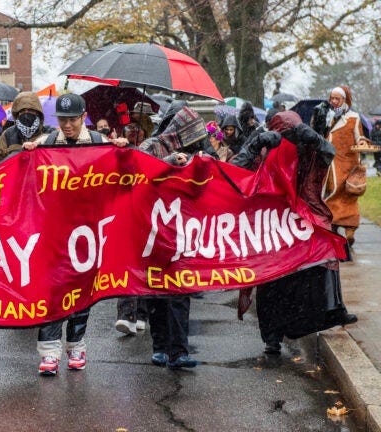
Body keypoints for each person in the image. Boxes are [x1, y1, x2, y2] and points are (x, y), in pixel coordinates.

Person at [232, 110, 357, 354]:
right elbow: (233, 170)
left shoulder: (307, 149)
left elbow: (328, 155)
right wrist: (255, 146)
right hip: (270, 223)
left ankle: (326, 313)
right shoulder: (263, 147)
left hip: (300, 220)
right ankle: (272, 336)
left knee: (322, 253)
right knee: (271, 280)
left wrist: (315, 138)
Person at [21, 93, 127, 375]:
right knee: (52, 291)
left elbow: (120, 179)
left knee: (82, 289)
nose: (67, 126)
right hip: (52, 232)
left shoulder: (98, 144)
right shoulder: (45, 144)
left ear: (83, 118)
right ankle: (49, 351)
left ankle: (77, 345)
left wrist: (120, 150)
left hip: (87, 233)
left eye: (72, 120)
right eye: (63, 120)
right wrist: (25, 155)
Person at [138, 106, 216, 370]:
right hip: (154, 232)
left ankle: (179, 351)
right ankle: (160, 346)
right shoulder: (152, 145)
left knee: (181, 292)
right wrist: (169, 162)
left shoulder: (194, 150)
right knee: (157, 294)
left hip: (182, 232)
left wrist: (202, 163)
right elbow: (137, 174)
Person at [320, 86, 366, 246]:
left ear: (344, 100)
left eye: (336, 99)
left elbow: (360, 136)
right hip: (331, 165)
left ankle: (349, 230)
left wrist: (361, 141)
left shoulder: (354, 117)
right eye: (331, 98)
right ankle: (333, 226)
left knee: (348, 196)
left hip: (348, 165)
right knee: (331, 193)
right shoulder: (328, 117)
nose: (333, 101)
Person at [0, 91, 45, 165]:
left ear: (37, 112)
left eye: (30, 110)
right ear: (17, 113)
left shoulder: (47, 133)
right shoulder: (8, 134)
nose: (26, 113)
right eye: (22, 111)